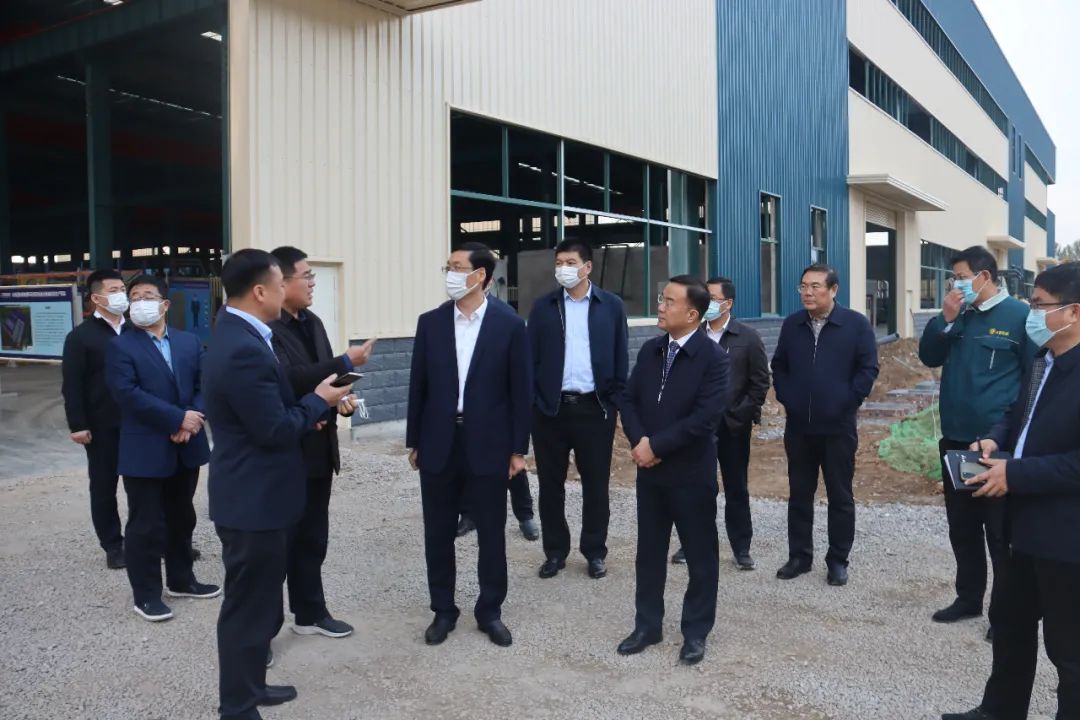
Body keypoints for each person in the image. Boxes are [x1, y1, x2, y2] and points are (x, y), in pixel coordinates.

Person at [204, 249, 352, 720]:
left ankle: (251, 687)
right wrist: (318, 400)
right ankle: (237, 707)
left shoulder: (242, 334)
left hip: (259, 495)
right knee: (247, 609)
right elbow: (272, 429)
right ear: (261, 291)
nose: (290, 288)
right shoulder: (244, 347)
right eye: (280, 282)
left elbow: (266, 411)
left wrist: (308, 408)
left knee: (257, 601)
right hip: (254, 500)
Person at [942, 262, 1080, 720]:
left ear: (1074, 311)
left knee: (1069, 650)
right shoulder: (1044, 359)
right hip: (1020, 526)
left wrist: (1014, 474)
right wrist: (994, 439)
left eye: (1040, 306)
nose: (1032, 315)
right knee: (1010, 625)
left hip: (1065, 537)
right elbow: (1018, 414)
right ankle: (999, 711)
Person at [406, 242, 532, 648]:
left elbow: (521, 391)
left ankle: (489, 611)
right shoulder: (431, 323)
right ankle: (443, 610)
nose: (450, 274)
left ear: (480, 276)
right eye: (448, 267)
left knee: (491, 533)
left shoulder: (509, 325)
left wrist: (518, 449)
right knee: (438, 531)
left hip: (489, 443)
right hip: (439, 441)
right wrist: (415, 441)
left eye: (457, 267)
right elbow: (419, 385)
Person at [918, 246, 1032, 633]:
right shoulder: (959, 314)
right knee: (963, 527)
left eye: (962, 277)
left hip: (994, 447)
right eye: (954, 277)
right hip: (956, 441)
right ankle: (968, 599)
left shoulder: (1019, 317)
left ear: (985, 277)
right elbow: (929, 356)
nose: (956, 284)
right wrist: (945, 319)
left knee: (1000, 534)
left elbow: (1032, 380)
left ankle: (1006, 613)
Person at [616, 275, 729, 666]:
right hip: (651, 474)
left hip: (691, 474)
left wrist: (656, 446)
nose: (660, 307)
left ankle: (695, 632)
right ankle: (647, 625)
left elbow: (705, 417)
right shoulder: (652, 350)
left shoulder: (713, 358)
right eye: (661, 299)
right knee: (649, 553)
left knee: (700, 556)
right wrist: (639, 442)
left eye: (668, 301)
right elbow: (628, 399)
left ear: (692, 314)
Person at [267, 246, 373, 639]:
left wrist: (340, 398)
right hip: (286, 448)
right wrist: (345, 362)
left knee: (312, 537)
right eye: (306, 276)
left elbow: (321, 381)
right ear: (280, 282)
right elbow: (290, 378)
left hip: (318, 449)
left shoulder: (312, 321)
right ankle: (263, 630)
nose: (312, 283)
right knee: (278, 545)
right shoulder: (268, 328)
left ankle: (310, 612)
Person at [105, 275, 219, 622]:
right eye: (135, 296)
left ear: (165, 304)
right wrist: (177, 419)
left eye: (148, 296)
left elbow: (204, 383)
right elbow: (126, 393)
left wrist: (192, 419)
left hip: (187, 444)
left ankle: (182, 580)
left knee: (182, 516)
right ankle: (146, 595)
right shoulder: (121, 346)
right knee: (146, 524)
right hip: (146, 448)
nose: (141, 302)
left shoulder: (188, 342)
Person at [771, 264, 878, 587]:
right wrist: (789, 398)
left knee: (840, 496)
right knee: (799, 495)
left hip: (838, 428)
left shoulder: (855, 325)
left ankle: (838, 560)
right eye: (803, 286)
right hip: (799, 428)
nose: (808, 292)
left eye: (815, 286)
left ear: (833, 290)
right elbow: (779, 366)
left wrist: (847, 401)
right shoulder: (793, 325)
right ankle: (799, 557)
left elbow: (868, 368)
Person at [527, 238, 628, 580]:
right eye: (559, 263)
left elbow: (620, 358)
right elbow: (530, 358)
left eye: (570, 263)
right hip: (550, 411)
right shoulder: (543, 307)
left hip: (594, 410)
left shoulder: (610, 306)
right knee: (550, 486)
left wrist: (613, 403)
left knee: (596, 486)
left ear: (587, 267)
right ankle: (555, 552)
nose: (563, 269)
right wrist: (535, 402)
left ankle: (595, 552)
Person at [671, 276, 768, 570]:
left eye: (713, 298)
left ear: (728, 303)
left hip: (732, 427)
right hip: (696, 428)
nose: (708, 303)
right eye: (705, 297)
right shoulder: (690, 334)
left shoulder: (747, 338)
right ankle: (692, 543)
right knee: (697, 487)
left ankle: (741, 548)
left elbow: (759, 383)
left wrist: (741, 413)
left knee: (736, 488)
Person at [62, 269, 129, 569]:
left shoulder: (137, 330)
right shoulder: (81, 337)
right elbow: (72, 384)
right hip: (102, 425)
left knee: (147, 484)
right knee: (104, 487)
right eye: (114, 290)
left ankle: (152, 539)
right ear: (97, 298)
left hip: (140, 422)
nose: (121, 295)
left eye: (122, 289)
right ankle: (113, 545)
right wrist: (78, 424)